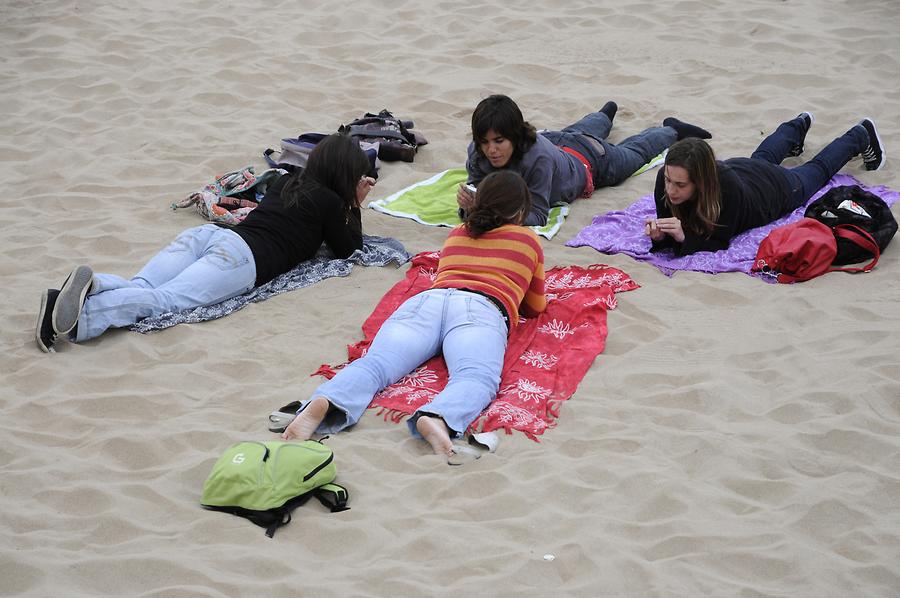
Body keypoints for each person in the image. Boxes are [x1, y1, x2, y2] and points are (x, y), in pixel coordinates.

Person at [282, 170, 547, 458]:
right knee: (475, 376)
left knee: (377, 363)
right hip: (481, 308)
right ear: (520, 211)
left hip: (429, 301)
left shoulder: (458, 233)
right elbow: (535, 307)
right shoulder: (527, 239)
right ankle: (438, 417)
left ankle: (326, 401)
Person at [36, 134, 376, 352]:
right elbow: (348, 250)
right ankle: (83, 319)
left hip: (209, 235)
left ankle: (93, 286)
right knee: (165, 300)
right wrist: (353, 202)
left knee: (143, 284)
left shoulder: (286, 182)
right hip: (240, 259)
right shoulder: (332, 202)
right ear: (346, 175)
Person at [646, 113, 886, 256]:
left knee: (816, 171)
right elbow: (669, 230)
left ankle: (860, 135)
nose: (670, 189)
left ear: (701, 181)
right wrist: (659, 237)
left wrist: (682, 237)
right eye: (668, 180)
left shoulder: (726, 190)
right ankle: (798, 124)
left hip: (774, 189)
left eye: (680, 184)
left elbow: (719, 241)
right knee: (762, 158)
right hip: (745, 170)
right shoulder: (666, 179)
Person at [457, 94, 711, 226]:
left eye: (499, 141)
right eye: (485, 142)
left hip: (591, 161)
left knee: (635, 153)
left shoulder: (537, 159)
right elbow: (475, 192)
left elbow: (537, 213)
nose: (491, 150)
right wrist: (469, 205)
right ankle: (604, 115)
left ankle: (671, 129)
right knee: (578, 132)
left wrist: (493, 214)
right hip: (559, 140)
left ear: (514, 135)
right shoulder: (478, 152)